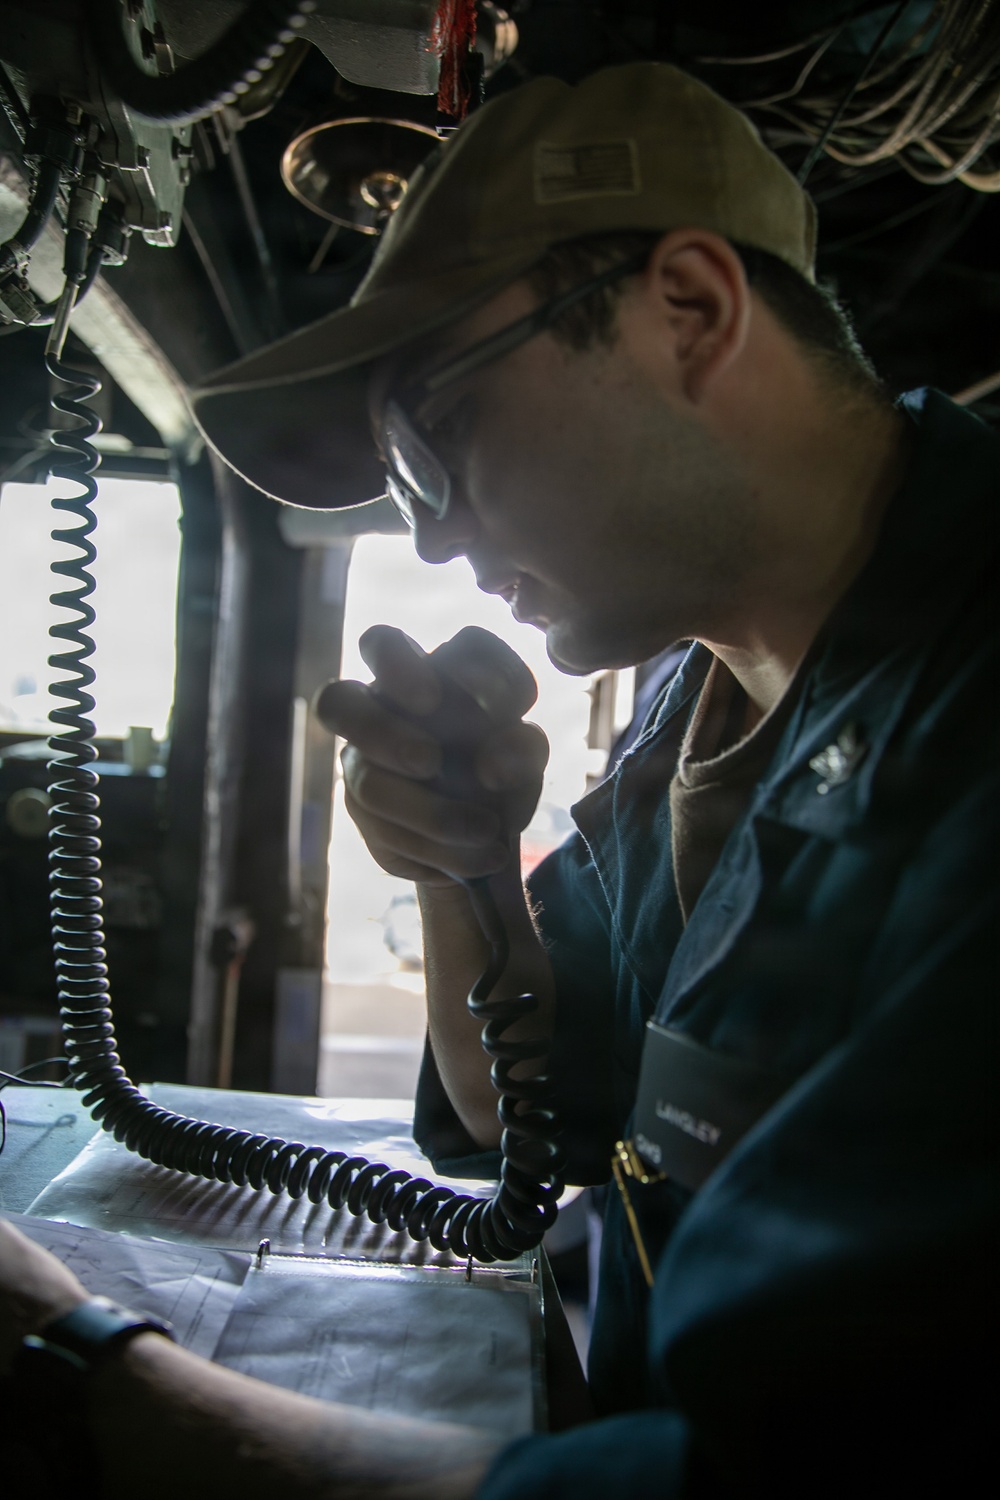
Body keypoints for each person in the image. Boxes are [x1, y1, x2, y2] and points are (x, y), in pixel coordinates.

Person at [2, 61, 995, 1499]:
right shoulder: (684, 699)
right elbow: (521, 1109)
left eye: (438, 439)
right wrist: (460, 867)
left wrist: (79, 1365)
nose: (445, 539)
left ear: (692, 315)